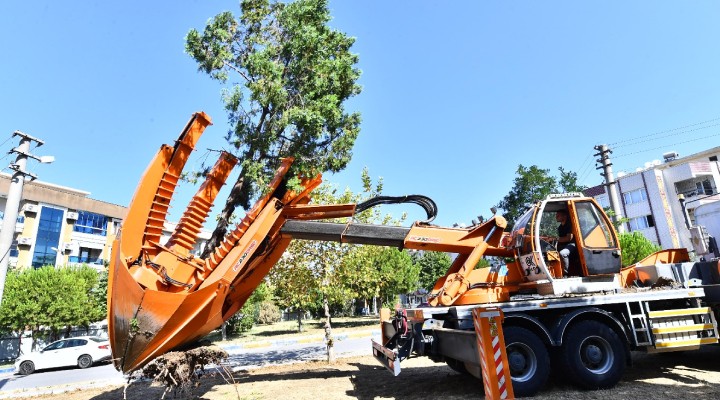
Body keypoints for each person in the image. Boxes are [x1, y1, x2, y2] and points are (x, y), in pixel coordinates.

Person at [555, 209, 577, 276]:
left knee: (562, 253)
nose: (556, 217)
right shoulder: (560, 228)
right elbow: (560, 239)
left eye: (558, 216)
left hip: (571, 244)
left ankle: (565, 274)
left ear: (564, 216)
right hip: (563, 245)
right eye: (556, 216)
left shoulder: (569, 225)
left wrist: (556, 239)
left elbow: (569, 238)